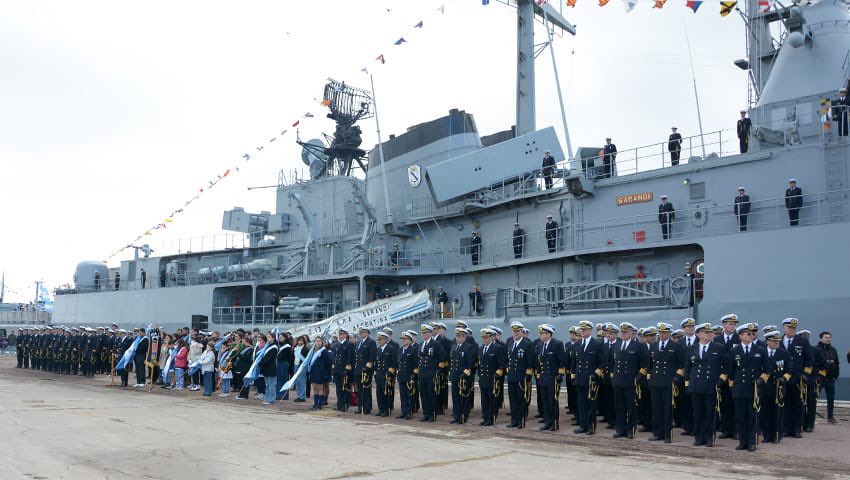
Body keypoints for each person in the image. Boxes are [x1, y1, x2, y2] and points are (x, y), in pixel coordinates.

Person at [728, 323, 769, 452]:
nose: (751, 335)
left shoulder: (760, 350)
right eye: (748, 334)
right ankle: (742, 441)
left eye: (752, 333)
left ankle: (752, 442)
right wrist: (732, 388)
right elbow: (731, 372)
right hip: (739, 388)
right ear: (741, 336)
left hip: (754, 388)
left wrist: (761, 379)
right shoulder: (734, 351)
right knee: (740, 417)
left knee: (752, 416)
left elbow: (768, 370)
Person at [610, 322, 649, 439]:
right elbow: (612, 363)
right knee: (619, 406)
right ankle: (620, 428)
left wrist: (639, 376)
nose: (623, 334)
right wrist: (613, 377)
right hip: (618, 381)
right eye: (622, 332)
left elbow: (645, 364)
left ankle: (630, 430)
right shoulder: (616, 345)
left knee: (631, 407)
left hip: (631, 381)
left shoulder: (638, 346)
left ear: (632, 333)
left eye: (626, 332)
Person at [648, 322, 685, 443]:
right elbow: (650, 364)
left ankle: (667, 434)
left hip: (668, 382)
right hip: (655, 381)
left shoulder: (676, 347)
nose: (662, 334)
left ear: (669, 333)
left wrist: (677, 377)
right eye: (660, 332)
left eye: (665, 332)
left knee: (667, 409)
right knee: (656, 408)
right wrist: (649, 377)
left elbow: (682, 365)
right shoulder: (653, 346)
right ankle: (657, 433)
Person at [778, 317, 812, 438]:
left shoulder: (802, 341)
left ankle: (796, 429)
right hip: (783, 378)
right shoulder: (779, 341)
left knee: (797, 404)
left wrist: (806, 374)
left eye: (794, 328)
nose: (792, 330)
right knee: (785, 404)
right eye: (790, 327)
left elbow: (809, 359)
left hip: (798, 378)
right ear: (784, 328)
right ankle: (786, 428)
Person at [572, 321, 603, 435]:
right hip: (580, 379)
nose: (583, 331)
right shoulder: (577, 344)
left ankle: (591, 426)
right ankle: (583, 425)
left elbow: (602, 363)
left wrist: (596, 374)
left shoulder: (597, 344)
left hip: (591, 380)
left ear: (590, 330)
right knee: (581, 403)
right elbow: (574, 363)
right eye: (581, 329)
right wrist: (573, 376)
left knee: (591, 404)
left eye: (585, 330)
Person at [761, 331, 791, 444]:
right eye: (774, 341)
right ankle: (766, 435)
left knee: (777, 412)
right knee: (765, 413)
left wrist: (784, 378)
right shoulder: (762, 352)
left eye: (778, 341)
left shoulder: (784, 353)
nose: (777, 343)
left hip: (778, 388)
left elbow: (789, 370)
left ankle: (777, 434)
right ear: (768, 341)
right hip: (765, 387)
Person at [537, 324, 566, 432]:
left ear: (548, 334)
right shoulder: (540, 345)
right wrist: (539, 375)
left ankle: (554, 423)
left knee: (552, 401)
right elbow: (539, 362)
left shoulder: (557, 344)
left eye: (542, 333)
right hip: (544, 378)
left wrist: (560, 375)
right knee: (545, 401)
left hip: (553, 378)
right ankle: (547, 422)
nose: (540, 335)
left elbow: (563, 361)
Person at [505, 321, 534, 429]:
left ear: (522, 332)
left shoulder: (527, 344)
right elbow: (508, 359)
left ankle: (521, 421)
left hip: (522, 377)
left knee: (521, 399)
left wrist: (528, 375)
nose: (516, 333)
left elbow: (530, 361)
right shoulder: (510, 343)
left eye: (518, 331)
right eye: (514, 331)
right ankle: (514, 420)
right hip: (512, 376)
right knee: (513, 400)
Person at [478, 328, 507, 426]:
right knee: (484, 400)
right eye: (483, 338)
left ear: (491, 338)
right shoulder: (481, 348)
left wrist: (498, 374)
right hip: (483, 378)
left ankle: (492, 418)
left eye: (486, 337)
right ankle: (486, 417)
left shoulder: (497, 348)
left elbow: (502, 364)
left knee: (492, 400)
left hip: (492, 379)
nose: (484, 339)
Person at [417, 324, 445, 422]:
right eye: (422, 333)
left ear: (430, 333)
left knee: (431, 394)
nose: (423, 335)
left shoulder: (435, 344)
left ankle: (433, 414)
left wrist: (437, 371)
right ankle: (426, 413)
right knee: (423, 394)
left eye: (425, 333)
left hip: (431, 373)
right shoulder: (421, 345)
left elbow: (443, 358)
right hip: (422, 373)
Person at [449, 328, 476, 424]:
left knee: (464, 398)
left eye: (460, 336)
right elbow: (452, 361)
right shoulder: (453, 346)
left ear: (464, 337)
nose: (458, 338)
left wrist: (465, 374)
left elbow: (470, 363)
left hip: (463, 377)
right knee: (455, 398)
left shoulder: (468, 347)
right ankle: (456, 416)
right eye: (457, 336)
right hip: (454, 376)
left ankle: (464, 416)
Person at [353, 327, 377, 415]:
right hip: (358, 369)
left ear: (367, 333)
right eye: (360, 332)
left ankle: (367, 407)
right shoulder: (359, 343)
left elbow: (372, 357)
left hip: (366, 370)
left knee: (366, 389)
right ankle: (360, 407)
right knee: (359, 389)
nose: (361, 334)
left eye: (363, 332)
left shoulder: (371, 342)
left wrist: (367, 368)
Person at [817, 331, 840, 423]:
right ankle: (810, 416)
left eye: (829, 337)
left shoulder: (833, 350)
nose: (828, 339)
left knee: (831, 398)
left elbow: (836, 363)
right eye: (826, 337)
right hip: (820, 379)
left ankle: (830, 417)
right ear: (821, 338)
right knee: (814, 398)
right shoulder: (816, 349)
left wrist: (836, 375)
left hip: (830, 379)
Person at [396, 330, 419, 419]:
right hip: (401, 376)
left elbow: (416, 364)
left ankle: (409, 412)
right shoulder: (400, 350)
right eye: (402, 339)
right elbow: (398, 363)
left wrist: (413, 375)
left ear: (410, 340)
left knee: (410, 395)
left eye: (405, 339)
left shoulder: (413, 350)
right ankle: (403, 412)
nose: (403, 341)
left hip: (409, 376)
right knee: (403, 395)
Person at [374, 331, 397, 417]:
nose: (379, 341)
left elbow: (394, 362)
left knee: (386, 393)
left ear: (385, 339)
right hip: (379, 374)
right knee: (379, 393)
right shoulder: (378, 349)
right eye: (378, 340)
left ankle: (387, 410)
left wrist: (390, 372)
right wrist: (375, 372)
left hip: (387, 375)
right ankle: (381, 409)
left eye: (380, 340)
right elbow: (376, 362)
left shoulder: (391, 349)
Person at [308, 336, 333, 410]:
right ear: (314, 342)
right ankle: (315, 404)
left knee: (320, 389)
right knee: (315, 389)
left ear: (322, 342)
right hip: (313, 372)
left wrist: (326, 374)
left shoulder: (324, 351)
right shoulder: (312, 351)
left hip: (321, 373)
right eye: (316, 341)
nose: (318, 342)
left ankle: (319, 405)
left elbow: (328, 363)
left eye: (319, 341)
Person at [332, 328, 355, 411]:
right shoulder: (336, 345)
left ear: (346, 335)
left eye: (342, 334)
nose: (341, 336)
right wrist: (333, 369)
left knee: (345, 388)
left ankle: (345, 405)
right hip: (337, 370)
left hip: (345, 370)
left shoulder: (349, 344)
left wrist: (347, 370)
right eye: (340, 334)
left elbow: (350, 358)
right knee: (338, 388)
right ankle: (339, 404)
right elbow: (334, 358)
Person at [259, 334, 279, 405]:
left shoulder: (274, 347)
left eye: (269, 337)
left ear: (273, 338)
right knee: (267, 385)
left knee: (272, 385)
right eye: (267, 337)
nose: (267, 339)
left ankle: (271, 399)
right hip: (266, 368)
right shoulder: (268, 346)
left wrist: (260, 363)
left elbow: (269, 358)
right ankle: (267, 398)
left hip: (271, 368)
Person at [276, 334, 293, 401]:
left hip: (284, 364)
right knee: (279, 379)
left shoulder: (287, 346)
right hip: (279, 363)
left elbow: (288, 357)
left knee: (284, 379)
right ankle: (278, 394)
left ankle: (284, 396)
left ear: (285, 338)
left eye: (281, 337)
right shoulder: (280, 346)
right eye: (279, 337)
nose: (280, 339)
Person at [293, 336, 309, 402]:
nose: (300, 342)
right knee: (297, 381)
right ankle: (298, 395)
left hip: (301, 366)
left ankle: (302, 396)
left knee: (302, 381)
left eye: (302, 341)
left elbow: (306, 359)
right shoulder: (295, 348)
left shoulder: (305, 349)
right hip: (295, 365)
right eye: (299, 341)